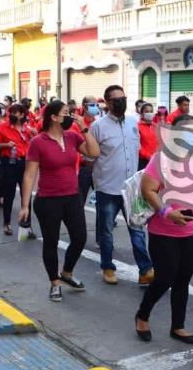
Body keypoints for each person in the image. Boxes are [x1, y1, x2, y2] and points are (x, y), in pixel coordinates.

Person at [136, 114, 193, 344]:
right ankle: (142, 316)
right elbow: (148, 190)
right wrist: (166, 212)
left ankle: (178, 326)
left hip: (191, 232)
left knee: (183, 279)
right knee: (164, 278)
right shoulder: (161, 159)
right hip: (164, 232)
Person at [20, 100, 99, 301]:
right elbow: (29, 175)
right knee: (51, 241)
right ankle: (54, 283)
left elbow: (94, 153)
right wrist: (24, 205)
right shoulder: (38, 142)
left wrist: (85, 128)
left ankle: (67, 273)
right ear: (54, 117)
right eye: (66, 113)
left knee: (80, 237)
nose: (70, 117)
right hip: (48, 200)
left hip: (72, 196)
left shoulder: (73, 136)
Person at [90, 85, 154, 285]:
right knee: (107, 231)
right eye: (116, 99)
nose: (121, 102)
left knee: (137, 228)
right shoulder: (98, 126)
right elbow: (89, 155)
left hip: (131, 188)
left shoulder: (133, 123)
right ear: (108, 103)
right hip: (108, 187)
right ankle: (107, 267)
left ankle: (145, 270)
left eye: (123, 98)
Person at [0, 103, 35, 236]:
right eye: (11, 112)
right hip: (9, 163)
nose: (12, 115)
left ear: (22, 115)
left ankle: (27, 226)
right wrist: (6, 144)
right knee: (9, 194)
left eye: (15, 113)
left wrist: (34, 135)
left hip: (24, 163)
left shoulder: (27, 129)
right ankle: (7, 223)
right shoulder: (3, 127)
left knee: (26, 195)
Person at [138, 103, 157, 170]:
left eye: (151, 111)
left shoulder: (155, 126)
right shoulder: (137, 126)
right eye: (147, 111)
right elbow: (137, 145)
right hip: (143, 161)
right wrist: (148, 156)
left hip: (155, 160)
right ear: (142, 114)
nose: (149, 113)